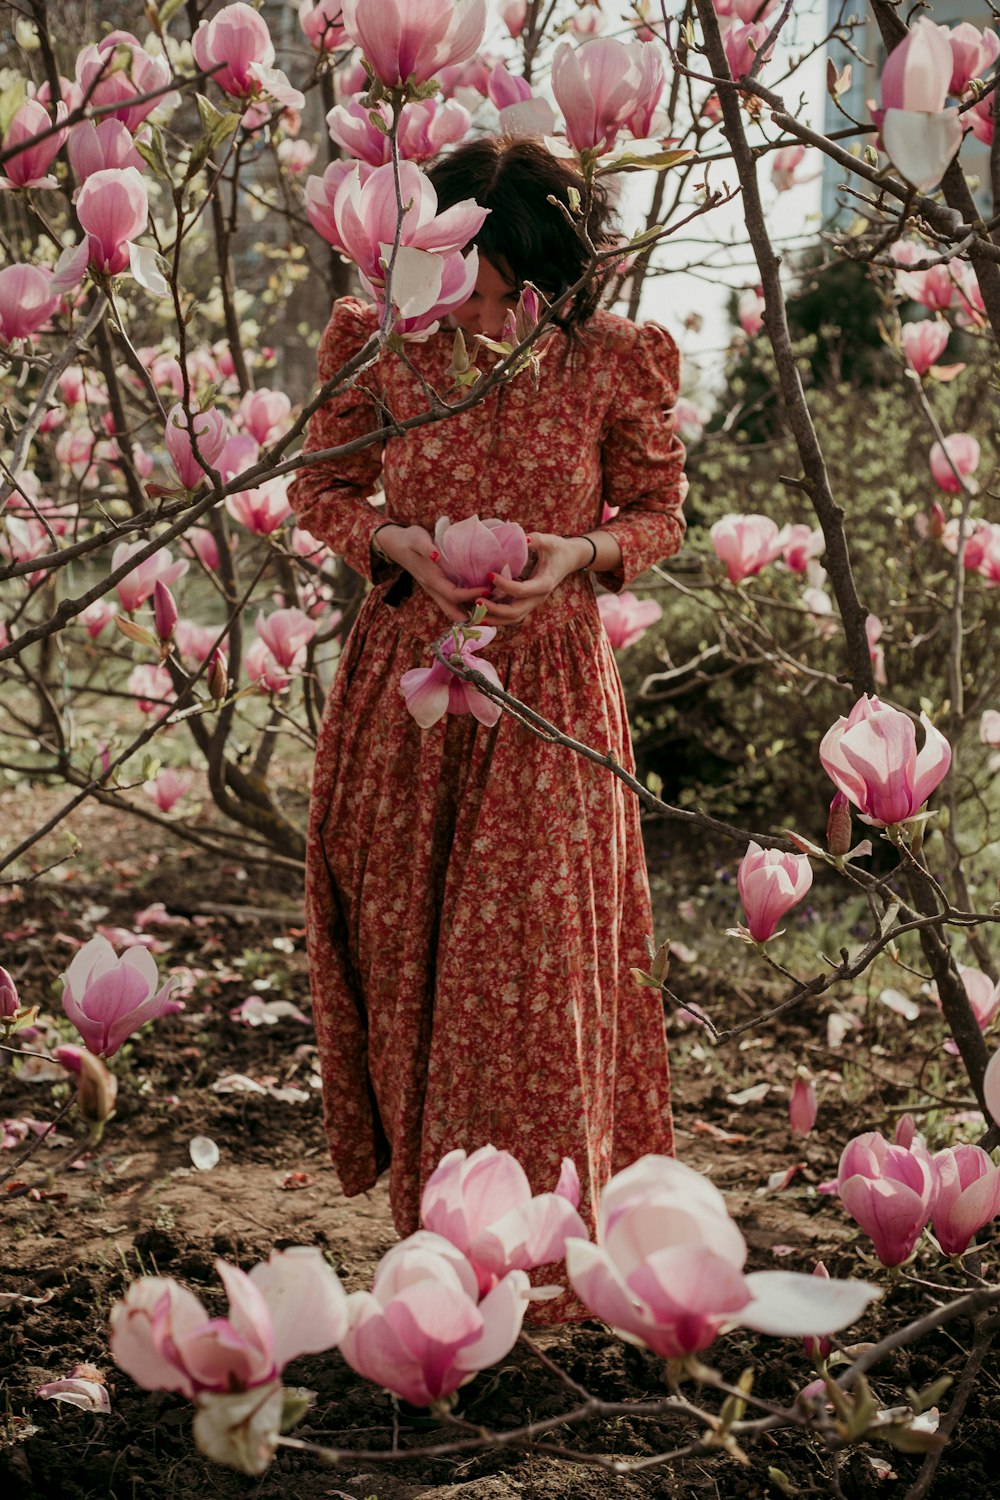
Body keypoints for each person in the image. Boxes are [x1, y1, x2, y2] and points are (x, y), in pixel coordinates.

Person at [289, 137, 688, 1317]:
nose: (517, 302)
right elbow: (322, 487)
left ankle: (546, 1264)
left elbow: (660, 509)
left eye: (534, 279)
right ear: (442, 255)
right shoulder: (379, 343)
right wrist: (393, 544)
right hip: (407, 686)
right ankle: (434, 1255)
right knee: (413, 958)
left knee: (532, 965)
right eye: (498, 273)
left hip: (551, 692)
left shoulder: (611, 358)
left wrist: (584, 552)